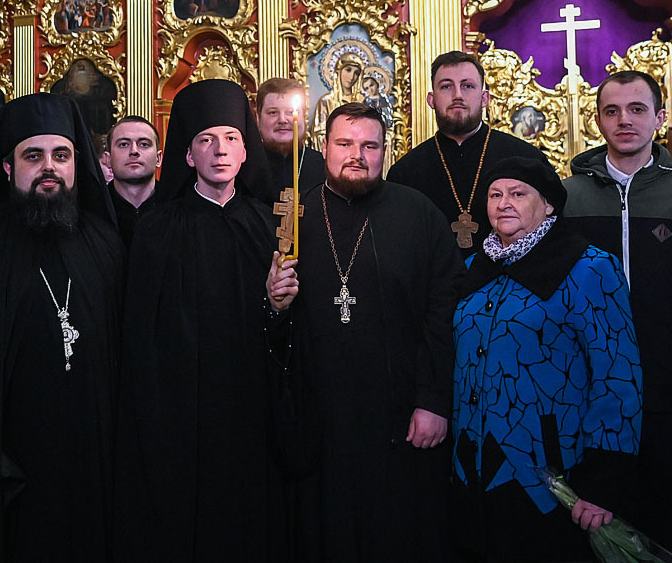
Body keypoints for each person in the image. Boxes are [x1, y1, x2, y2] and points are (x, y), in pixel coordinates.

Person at [0, 93, 125, 563]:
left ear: (76, 163)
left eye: (61, 155)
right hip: (12, 469)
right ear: (7, 167)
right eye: (33, 156)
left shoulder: (104, 244)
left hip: (95, 457)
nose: (49, 168)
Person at [561, 70, 672, 560]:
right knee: (591, 536)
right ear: (598, 121)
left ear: (660, 118)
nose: (625, 120)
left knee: (665, 537)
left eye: (637, 109)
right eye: (612, 111)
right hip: (587, 400)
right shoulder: (567, 199)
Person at [116, 79, 290, 563]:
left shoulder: (270, 226)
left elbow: (290, 332)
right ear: (188, 155)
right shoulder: (156, 228)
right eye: (206, 140)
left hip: (253, 409)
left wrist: (277, 308)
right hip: (181, 415)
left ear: (245, 150)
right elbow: (142, 338)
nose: (220, 150)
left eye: (231, 138)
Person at [287, 101, 464, 560]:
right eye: (345, 144)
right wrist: (274, 302)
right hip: (321, 417)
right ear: (323, 146)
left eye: (370, 146)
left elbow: (444, 311)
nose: (357, 156)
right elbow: (277, 324)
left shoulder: (417, 213)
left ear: (386, 150)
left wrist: (433, 400)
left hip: (401, 413)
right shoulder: (294, 217)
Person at [450, 156, 642, 562]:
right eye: (495, 195)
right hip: (471, 466)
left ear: (549, 204)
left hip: (548, 472)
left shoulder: (589, 267)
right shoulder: (472, 268)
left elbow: (617, 375)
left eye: (518, 194)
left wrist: (603, 480)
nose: (504, 203)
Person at [389, 51, 546, 256]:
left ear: (484, 98)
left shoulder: (526, 159)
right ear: (431, 100)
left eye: (468, 86)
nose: (457, 95)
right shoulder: (404, 173)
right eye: (446, 86)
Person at [257, 77, 326, 198]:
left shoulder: (325, 167)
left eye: (290, 112)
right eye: (273, 112)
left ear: (304, 118)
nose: (282, 120)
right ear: (258, 118)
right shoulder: (244, 167)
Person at [104, 116, 161, 246]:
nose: (134, 151)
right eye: (124, 144)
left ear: (158, 158)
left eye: (144, 144)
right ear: (108, 159)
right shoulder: (93, 211)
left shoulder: (178, 211)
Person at [310, 53, 364, 147]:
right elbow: (319, 133)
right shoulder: (326, 101)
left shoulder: (363, 101)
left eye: (356, 73)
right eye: (348, 70)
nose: (352, 77)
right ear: (339, 71)